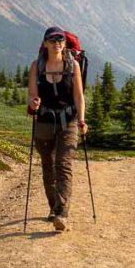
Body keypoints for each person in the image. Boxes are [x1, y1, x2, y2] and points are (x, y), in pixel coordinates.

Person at [28, 26, 87, 231]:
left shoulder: (73, 66)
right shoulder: (36, 66)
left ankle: (62, 213)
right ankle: (54, 207)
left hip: (68, 121)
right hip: (44, 122)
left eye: (60, 40)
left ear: (65, 43)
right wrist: (33, 103)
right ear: (45, 43)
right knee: (48, 167)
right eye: (52, 40)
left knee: (63, 164)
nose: (57, 43)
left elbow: (79, 96)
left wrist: (82, 120)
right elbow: (32, 95)